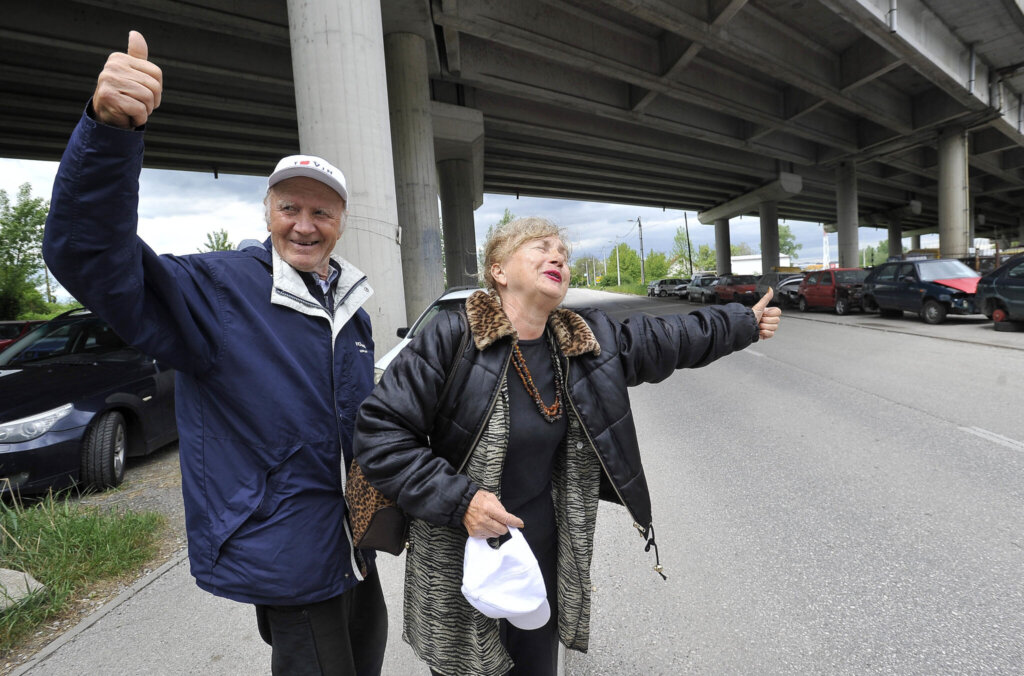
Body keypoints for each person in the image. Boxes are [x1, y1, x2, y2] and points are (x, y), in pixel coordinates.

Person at [42, 31, 386, 675]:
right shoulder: (220, 288)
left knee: (366, 658)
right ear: (267, 212)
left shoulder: (352, 308)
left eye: (322, 212)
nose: (304, 225)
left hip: (352, 544)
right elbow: (91, 260)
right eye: (290, 207)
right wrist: (110, 133)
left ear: (342, 223)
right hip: (286, 548)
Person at [353, 217, 782, 675]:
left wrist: (743, 322)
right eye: (540, 247)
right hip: (458, 551)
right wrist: (461, 501)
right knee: (468, 664)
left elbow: (666, 337)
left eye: (562, 251)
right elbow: (381, 435)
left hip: (542, 551)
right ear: (498, 270)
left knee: (537, 665)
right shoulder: (451, 338)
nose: (557, 256)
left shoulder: (581, 341)